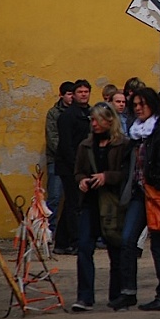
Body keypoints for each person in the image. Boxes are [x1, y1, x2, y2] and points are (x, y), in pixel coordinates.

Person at [108, 87, 160, 312]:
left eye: (142, 104)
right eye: (135, 105)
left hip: (158, 193)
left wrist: (156, 181)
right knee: (128, 241)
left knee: (158, 246)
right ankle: (128, 292)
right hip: (139, 194)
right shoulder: (135, 132)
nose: (138, 108)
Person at [70, 102, 128, 312]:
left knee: (116, 250)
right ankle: (85, 297)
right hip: (90, 203)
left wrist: (107, 177)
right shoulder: (85, 146)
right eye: (92, 120)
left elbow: (126, 174)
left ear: (109, 120)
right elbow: (77, 171)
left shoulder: (122, 145)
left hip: (113, 204)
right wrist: (82, 181)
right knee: (84, 248)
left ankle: (117, 295)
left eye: (97, 120)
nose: (93, 124)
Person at [54, 79, 92, 255]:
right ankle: (75, 242)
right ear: (73, 95)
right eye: (80, 92)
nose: (83, 94)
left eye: (86, 91)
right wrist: (76, 167)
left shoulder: (90, 114)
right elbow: (66, 145)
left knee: (73, 203)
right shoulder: (68, 116)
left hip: (83, 165)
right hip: (69, 166)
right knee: (73, 204)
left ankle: (61, 242)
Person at [44, 80, 73, 238]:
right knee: (54, 197)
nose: (71, 97)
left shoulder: (79, 113)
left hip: (73, 160)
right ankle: (49, 232)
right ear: (61, 95)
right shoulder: (54, 113)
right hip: (56, 160)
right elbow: (52, 138)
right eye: (68, 94)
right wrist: (66, 154)